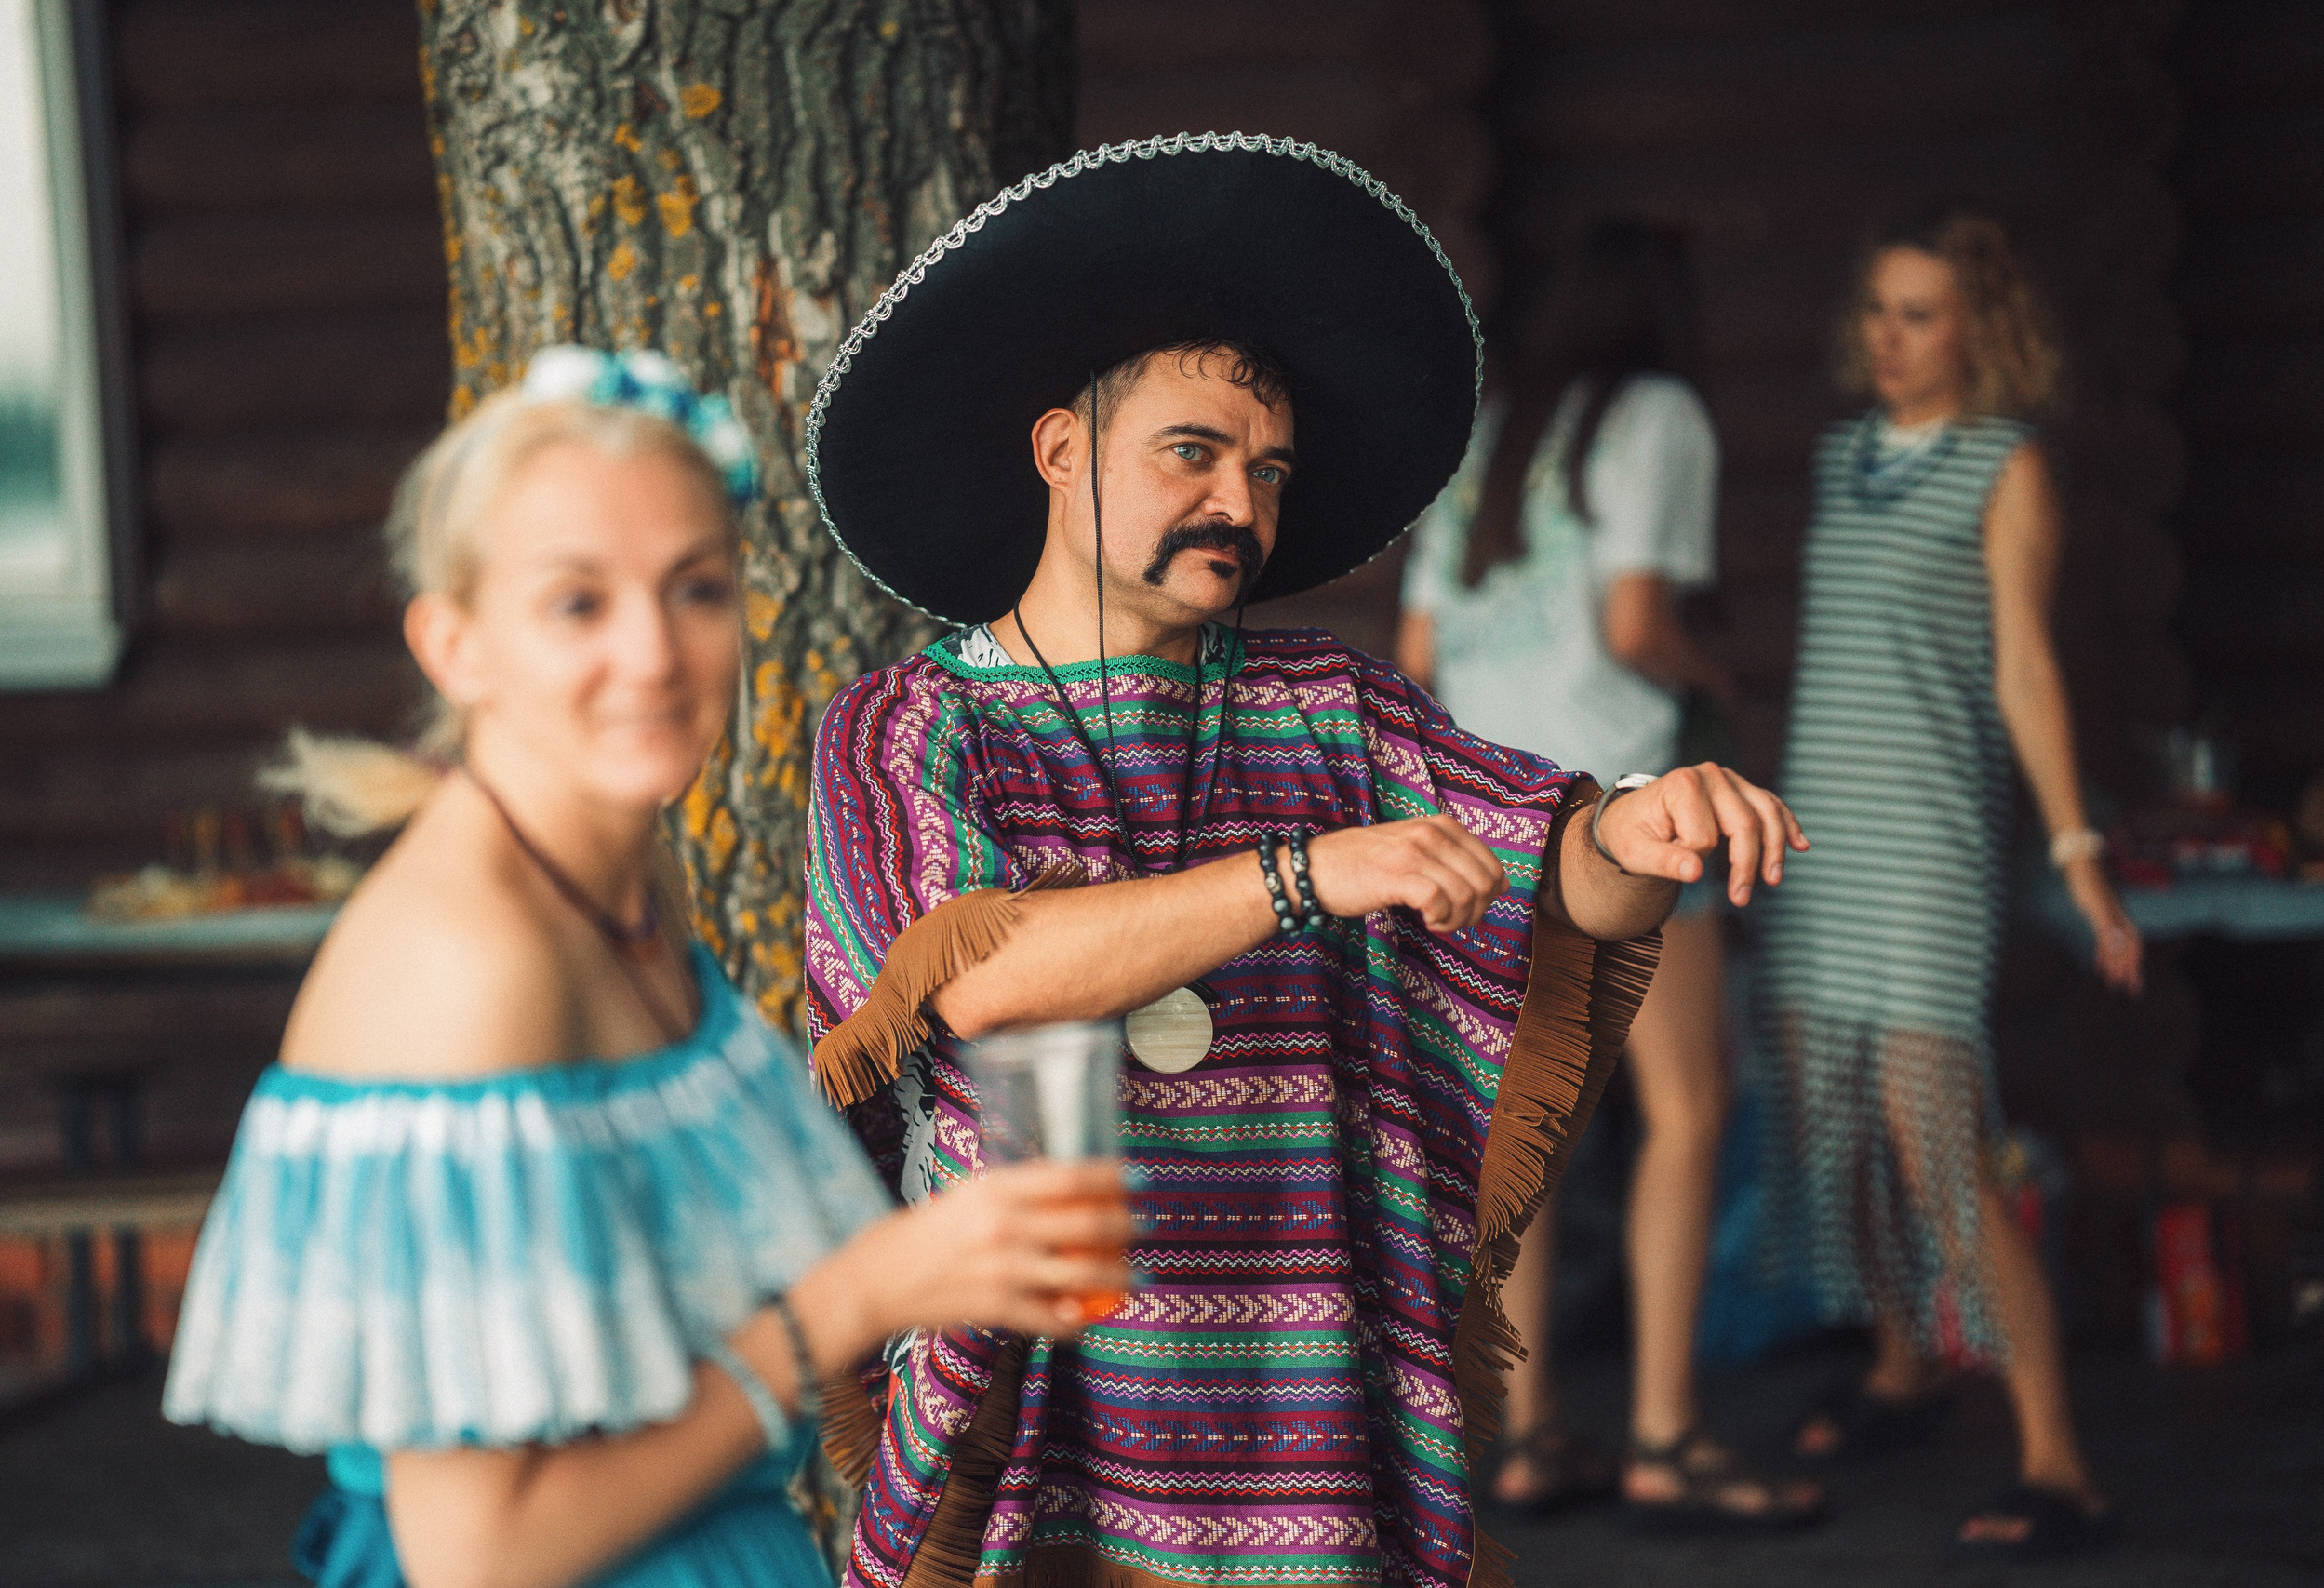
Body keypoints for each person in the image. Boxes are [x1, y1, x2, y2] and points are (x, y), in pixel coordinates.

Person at [795, 133, 1805, 1588]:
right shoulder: (906, 729)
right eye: (1192, 453)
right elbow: (974, 980)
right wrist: (1303, 875)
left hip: (1305, 1431)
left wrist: (1639, 827)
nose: (1241, 504)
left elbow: (1560, 869)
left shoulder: (1332, 706)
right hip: (1031, 1425)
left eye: (1268, 470)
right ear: (1062, 453)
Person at [160, 348, 1133, 1588]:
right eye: (578, 603)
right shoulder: (469, 965)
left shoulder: (616, 886)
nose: (655, 654)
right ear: (454, 646)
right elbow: (479, 1556)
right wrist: (851, 1304)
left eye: (696, 589)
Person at [1396, 218, 1821, 1532]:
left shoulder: (1482, 438)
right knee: (1689, 1108)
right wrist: (1721, 676)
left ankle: (1530, 1439)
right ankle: (1665, 1435)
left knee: (1539, 1128)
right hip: (1625, 813)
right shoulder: (1659, 418)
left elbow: (1418, 657)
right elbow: (1638, 626)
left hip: (1496, 826)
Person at [1757, 203, 2144, 1559]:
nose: (1889, 337)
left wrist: (2079, 856)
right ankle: (1902, 1368)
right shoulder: (1842, 453)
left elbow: (2024, 665)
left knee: (1938, 1146)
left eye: (1919, 314)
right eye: (1877, 309)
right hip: (1821, 841)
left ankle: (2059, 1467)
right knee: (1838, 1129)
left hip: (1928, 843)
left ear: (1982, 326)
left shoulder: (2006, 462)